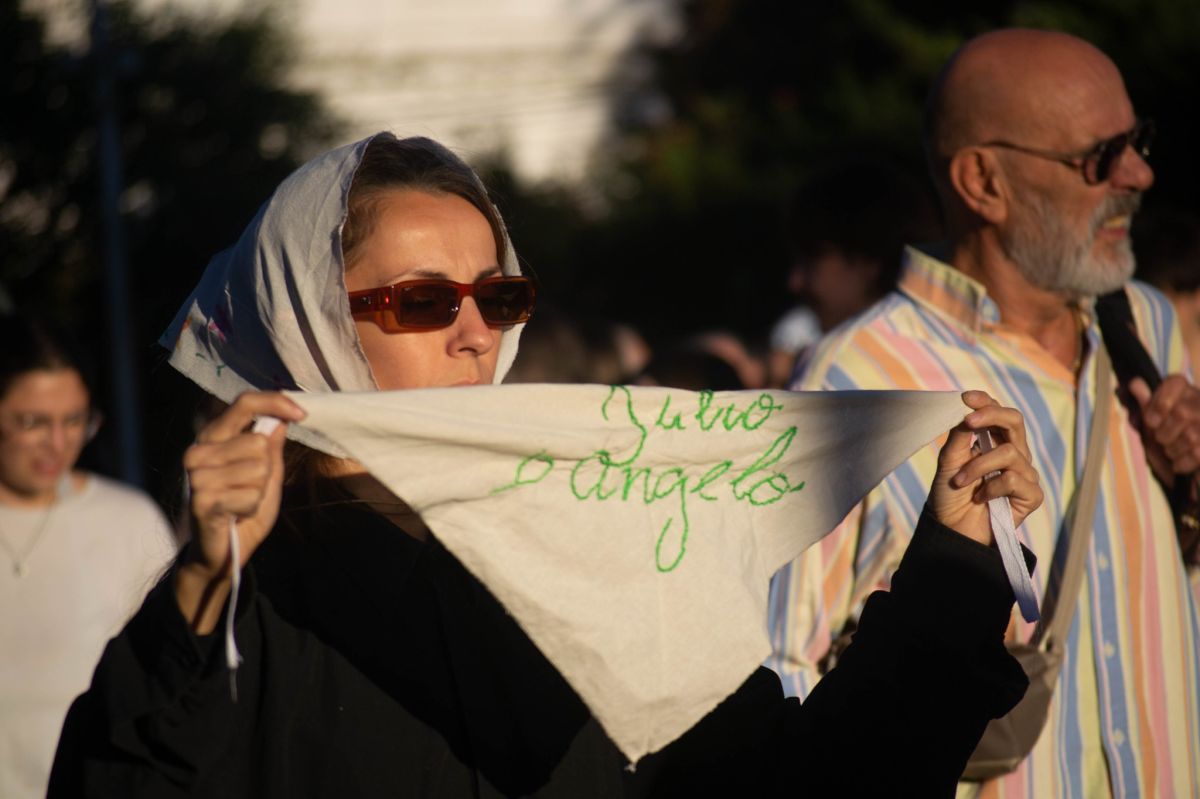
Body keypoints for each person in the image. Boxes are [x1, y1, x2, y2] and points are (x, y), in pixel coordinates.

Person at [51, 132, 1041, 797]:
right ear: (307, 321)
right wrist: (199, 592)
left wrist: (952, 568)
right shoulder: (247, 594)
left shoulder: (594, 531)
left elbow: (799, 783)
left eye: (499, 296)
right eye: (422, 301)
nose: (474, 332)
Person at [768, 29, 1200, 797]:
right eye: (1101, 156)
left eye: (1138, 141)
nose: (1139, 173)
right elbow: (785, 669)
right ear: (982, 181)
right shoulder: (852, 378)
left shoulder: (1145, 324)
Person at [0, 313, 176, 798]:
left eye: (75, 420)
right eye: (32, 422)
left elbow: (166, 679)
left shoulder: (130, 521)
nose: (58, 444)